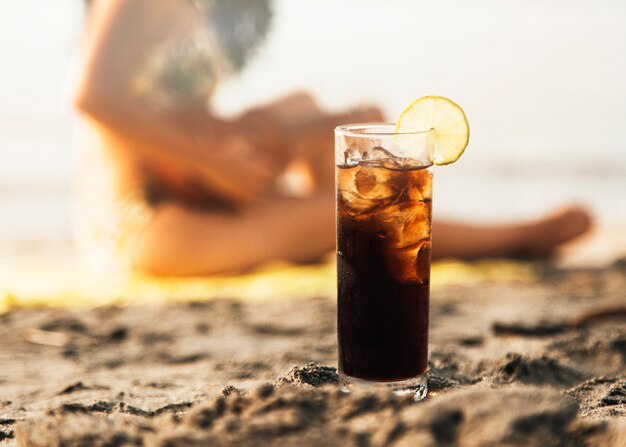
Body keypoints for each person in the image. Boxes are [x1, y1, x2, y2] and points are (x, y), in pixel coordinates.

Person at [74, 0, 591, 276]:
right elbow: (91, 97)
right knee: (345, 217)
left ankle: (343, 226)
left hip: (194, 189)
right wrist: (216, 165)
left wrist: (311, 126)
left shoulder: (197, 7)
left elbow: (184, 119)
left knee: (301, 108)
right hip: (142, 222)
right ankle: (515, 238)